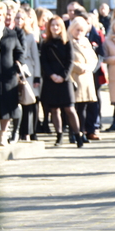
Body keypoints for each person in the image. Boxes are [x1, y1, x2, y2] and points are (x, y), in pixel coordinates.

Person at [40, 17, 82, 146]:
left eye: (57, 25)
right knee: (54, 109)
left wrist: (63, 76)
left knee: (70, 108)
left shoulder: (67, 42)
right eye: (52, 25)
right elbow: (44, 62)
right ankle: (59, 136)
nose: (55, 28)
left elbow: (70, 61)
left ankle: (77, 135)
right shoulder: (45, 43)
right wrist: (52, 75)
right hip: (51, 80)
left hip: (65, 79)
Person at [0, 2, 24, 146]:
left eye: (0, 15)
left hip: (8, 76)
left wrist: (18, 64)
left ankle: (2, 135)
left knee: (7, 106)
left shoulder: (11, 33)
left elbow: (19, 52)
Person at [69, 17, 98, 145]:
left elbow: (94, 58)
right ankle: (73, 133)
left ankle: (82, 132)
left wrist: (88, 67)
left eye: (82, 30)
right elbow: (67, 60)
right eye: (77, 30)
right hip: (74, 77)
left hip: (86, 77)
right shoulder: (68, 41)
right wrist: (78, 67)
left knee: (83, 108)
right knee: (72, 108)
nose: (79, 32)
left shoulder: (85, 41)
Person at [14, 9, 41, 142]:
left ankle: (29, 131)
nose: (19, 21)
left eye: (21, 18)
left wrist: (37, 76)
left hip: (28, 72)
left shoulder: (30, 36)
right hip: (14, 71)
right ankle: (16, 131)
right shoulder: (10, 33)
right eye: (16, 18)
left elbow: (36, 57)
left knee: (29, 102)